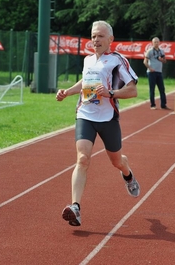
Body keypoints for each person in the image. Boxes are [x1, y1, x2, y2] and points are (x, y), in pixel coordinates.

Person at [56, 20, 140, 226]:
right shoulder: (88, 61)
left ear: (110, 39)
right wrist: (67, 92)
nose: (96, 40)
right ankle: (75, 207)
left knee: (116, 161)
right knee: (83, 159)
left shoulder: (117, 61)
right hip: (85, 115)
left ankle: (127, 174)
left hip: (108, 118)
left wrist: (111, 92)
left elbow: (133, 90)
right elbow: (84, 83)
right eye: (93, 36)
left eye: (100, 36)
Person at [143, 37, 171, 110]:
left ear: (159, 43)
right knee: (152, 89)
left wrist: (162, 60)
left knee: (162, 89)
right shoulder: (149, 51)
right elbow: (145, 61)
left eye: (157, 42)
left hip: (159, 72)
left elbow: (165, 61)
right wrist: (150, 68)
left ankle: (163, 104)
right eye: (155, 42)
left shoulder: (161, 51)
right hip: (152, 72)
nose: (156, 43)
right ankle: (152, 105)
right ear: (152, 43)